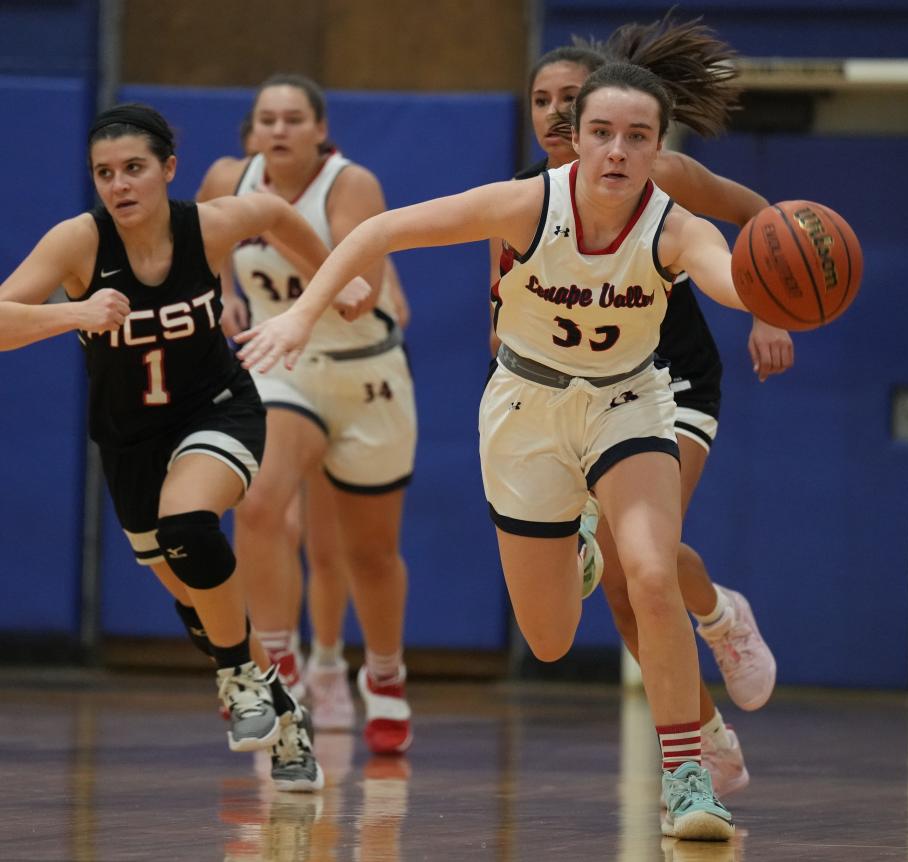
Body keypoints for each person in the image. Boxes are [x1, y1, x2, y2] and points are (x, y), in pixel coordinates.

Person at [235, 59, 759, 841]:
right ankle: (573, 538)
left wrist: (779, 289)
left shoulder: (677, 226)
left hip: (628, 402)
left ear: (658, 149)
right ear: (575, 139)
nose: (618, 151)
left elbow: (729, 280)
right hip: (527, 410)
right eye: (603, 133)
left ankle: (688, 777)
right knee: (547, 639)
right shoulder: (526, 206)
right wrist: (304, 314)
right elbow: (380, 232)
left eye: (637, 137)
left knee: (650, 571)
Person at [0, 103, 376, 791]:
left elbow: (275, 216)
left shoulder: (207, 224)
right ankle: (280, 708)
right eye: (105, 173)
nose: (120, 185)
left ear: (168, 170)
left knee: (189, 522)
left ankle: (237, 678)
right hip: (130, 442)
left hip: (218, 409)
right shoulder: (77, 244)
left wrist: (332, 280)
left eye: (135, 168)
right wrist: (73, 313)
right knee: (201, 600)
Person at [490, 15, 790, 798]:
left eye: (569, 97)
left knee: (638, 567)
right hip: (567, 396)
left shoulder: (667, 179)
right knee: (626, 594)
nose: (555, 113)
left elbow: (764, 222)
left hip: (666, 382)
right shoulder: (524, 201)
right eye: (542, 101)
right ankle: (706, 735)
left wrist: (769, 307)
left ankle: (721, 617)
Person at [197, 74, 416, 754]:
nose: (280, 130)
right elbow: (203, 237)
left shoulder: (353, 186)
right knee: (258, 501)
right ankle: (278, 662)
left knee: (368, 552)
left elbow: (358, 295)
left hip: (365, 371)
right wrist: (224, 287)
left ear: (320, 130)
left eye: (295, 118)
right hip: (281, 365)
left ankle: (383, 675)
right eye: (268, 119)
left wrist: (273, 222)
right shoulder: (228, 177)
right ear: (253, 131)